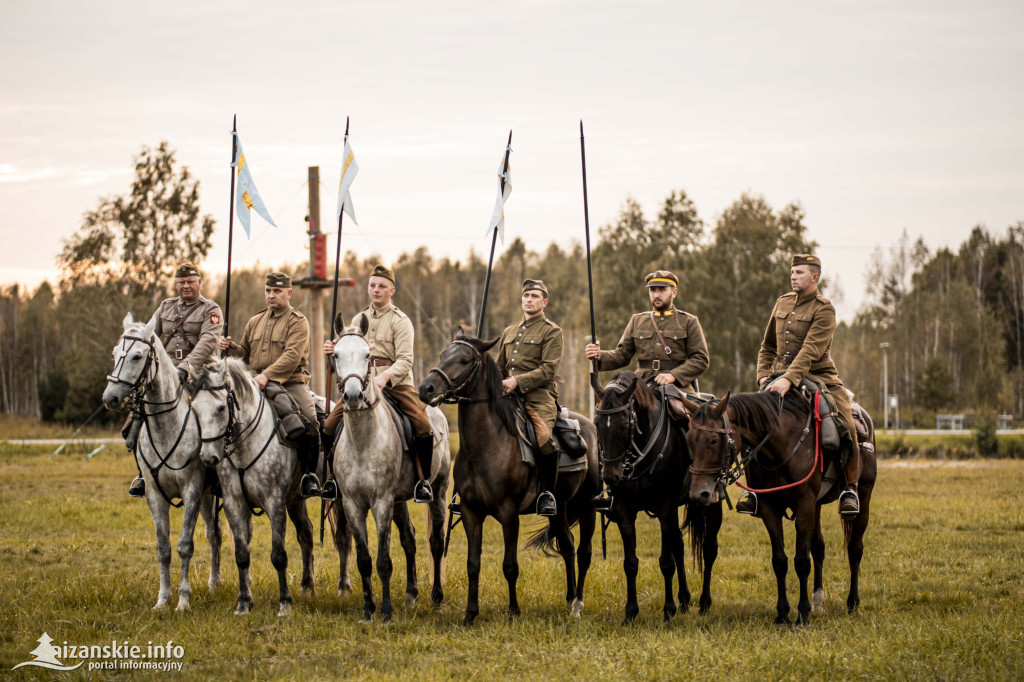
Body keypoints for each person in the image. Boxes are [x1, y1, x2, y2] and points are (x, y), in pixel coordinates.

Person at [751, 254, 860, 518]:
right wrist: (765, 377)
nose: (793, 276)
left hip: (820, 375)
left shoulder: (825, 309)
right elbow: (767, 347)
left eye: (799, 272)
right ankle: (754, 491)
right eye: (792, 272)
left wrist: (789, 379)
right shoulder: (782, 302)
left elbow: (811, 350)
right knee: (752, 421)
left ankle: (850, 487)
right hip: (778, 375)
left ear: (815, 277)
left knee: (845, 421)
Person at [322, 264, 435, 503]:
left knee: (422, 424)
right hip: (361, 386)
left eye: (382, 286)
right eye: (372, 286)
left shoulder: (400, 321)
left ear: (391, 290)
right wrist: (334, 347)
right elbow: (350, 349)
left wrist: (384, 377)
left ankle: (423, 481)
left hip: (396, 386)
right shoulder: (357, 318)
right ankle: (332, 479)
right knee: (330, 424)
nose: (376, 290)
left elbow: (406, 359)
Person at [217, 272, 322, 498]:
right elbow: (244, 354)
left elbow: (291, 357)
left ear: (289, 293)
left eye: (277, 291)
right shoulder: (255, 320)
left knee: (310, 419)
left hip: (290, 381)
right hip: (253, 381)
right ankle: (220, 475)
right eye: (268, 291)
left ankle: (309, 475)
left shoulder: (298, 322)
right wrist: (229, 347)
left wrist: (267, 375)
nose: (271, 295)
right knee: (219, 413)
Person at [127, 262, 223, 497]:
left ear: (199, 282)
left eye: (190, 282)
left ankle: (218, 472)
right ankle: (144, 472)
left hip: (200, 371)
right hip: (167, 371)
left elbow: (208, 342)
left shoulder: (211, 309)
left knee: (213, 411)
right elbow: (151, 335)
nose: (186, 286)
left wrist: (186, 367)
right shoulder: (165, 307)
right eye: (181, 282)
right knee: (138, 412)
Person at [494, 279, 564, 516]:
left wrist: (517, 382)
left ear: (544, 302)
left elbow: (548, 370)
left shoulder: (552, 331)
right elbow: (500, 367)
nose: (529, 300)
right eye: (526, 296)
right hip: (507, 396)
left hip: (538, 397)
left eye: (535, 296)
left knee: (543, 437)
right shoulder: (509, 331)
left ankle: (547, 493)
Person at [585, 269, 709, 391]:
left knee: (696, 410)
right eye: (652, 290)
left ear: (674, 292)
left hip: (677, 387)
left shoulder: (688, 321)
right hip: (641, 386)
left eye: (662, 289)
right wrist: (600, 355)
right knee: (613, 406)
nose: (656, 295)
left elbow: (700, 359)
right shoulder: (637, 320)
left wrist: (674, 375)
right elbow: (622, 355)